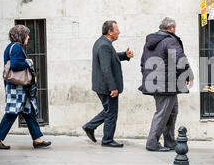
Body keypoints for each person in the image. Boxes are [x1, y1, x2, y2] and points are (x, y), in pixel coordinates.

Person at [0, 25, 51, 150]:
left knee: (29, 112)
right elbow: (16, 65)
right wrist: (28, 62)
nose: (28, 37)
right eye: (27, 34)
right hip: (17, 87)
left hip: (18, 86)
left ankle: (37, 139)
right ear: (21, 35)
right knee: (12, 113)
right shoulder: (17, 47)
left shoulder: (9, 47)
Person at [139, 17, 194, 152]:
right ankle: (152, 142)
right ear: (172, 28)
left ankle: (169, 142)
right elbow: (180, 59)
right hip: (165, 84)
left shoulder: (150, 42)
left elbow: (142, 63)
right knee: (163, 113)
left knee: (172, 111)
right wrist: (188, 75)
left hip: (157, 83)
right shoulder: (169, 40)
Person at [82, 20, 134, 148]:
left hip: (102, 85)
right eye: (117, 29)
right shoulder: (105, 45)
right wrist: (113, 87)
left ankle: (90, 126)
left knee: (109, 110)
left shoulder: (102, 42)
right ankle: (107, 140)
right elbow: (106, 68)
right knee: (111, 113)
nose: (119, 32)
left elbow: (110, 57)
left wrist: (124, 55)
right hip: (106, 87)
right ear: (110, 32)